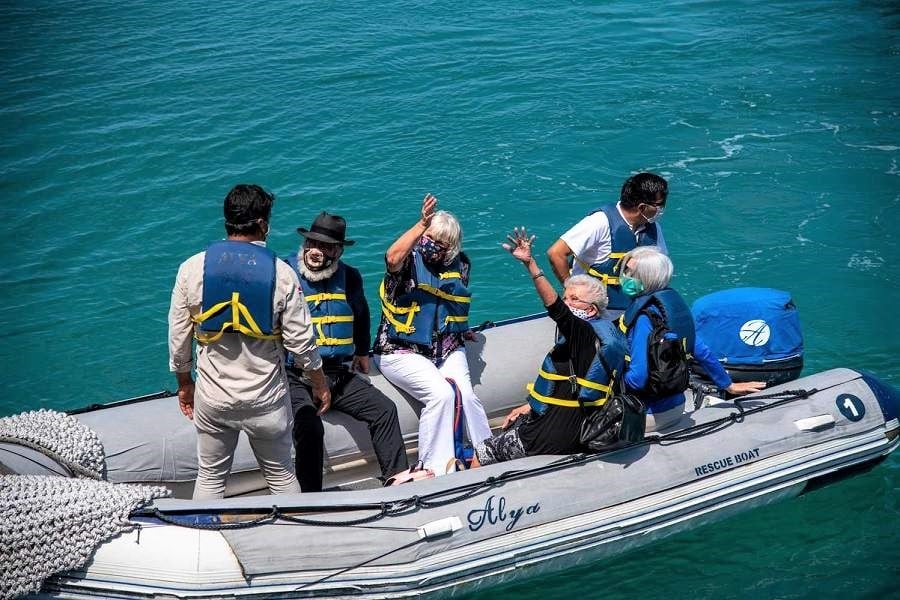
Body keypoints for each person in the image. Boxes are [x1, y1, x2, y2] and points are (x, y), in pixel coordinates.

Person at [168, 184, 329, 499]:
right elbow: (302, 343)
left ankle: (206, 540)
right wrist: (319, 383)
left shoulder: (191, 269)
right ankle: (295, 539)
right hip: (265, 400)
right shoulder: (281, 273)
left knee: (211, 480)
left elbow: (178, 338)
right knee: (282, 477)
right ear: (263, 224)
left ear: (227, 221)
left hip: (213, 398)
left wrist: (185, 383)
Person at [471, 227, 628, 467]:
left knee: (483, 451)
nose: (567, 302)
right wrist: (529, 405)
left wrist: (531, 265)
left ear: (592, 309)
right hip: (584, 427)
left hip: (551, 435)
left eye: (574, 299)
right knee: (516, 422)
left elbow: (555, 307)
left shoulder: (581, 333)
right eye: (566, 297)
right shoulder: (609, 335)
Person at [284, 212, 409, 491]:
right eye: (312, 243)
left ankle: (399, 483)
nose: (316, 251)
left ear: (338, 251)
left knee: (385, 410)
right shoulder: (284, 273)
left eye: (326, 246)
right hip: (296, 374)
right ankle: (311, 499)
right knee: (309, 426)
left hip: (338, 374)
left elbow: (362, 315)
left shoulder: (350, 277)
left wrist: (362, 352)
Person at [372, 193, 492, 474]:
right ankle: (435, 468)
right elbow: (392, 257)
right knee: (441, 395)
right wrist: (421, 223)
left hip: (447, 346)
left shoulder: (461, 265)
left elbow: (453, 303)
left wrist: (462, 330)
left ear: (451, 248)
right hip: (400, 349)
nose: (434, 246)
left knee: (467, 396)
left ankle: (487, 454)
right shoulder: (407, 263)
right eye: (431, 237)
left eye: (442, 243)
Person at [618, 246, 765, 432]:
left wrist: (610, 381)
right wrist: (728, 385)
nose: (624, 276)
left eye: (630, 272)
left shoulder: (644, 319)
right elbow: (701, 350)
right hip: (677, 407)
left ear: (645, 278)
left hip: (647, 414)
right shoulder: (673, 311)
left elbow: (638, 379)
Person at [547, 172, 669, 317]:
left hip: (632, 309)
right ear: (642, 207)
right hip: (594, 313)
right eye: (659, 205)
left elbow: (660, 268)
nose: (661, 210)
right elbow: (556, 253)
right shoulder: (599, 222)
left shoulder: (653, 228)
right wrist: (573, 292)